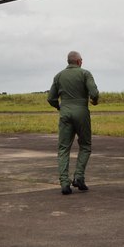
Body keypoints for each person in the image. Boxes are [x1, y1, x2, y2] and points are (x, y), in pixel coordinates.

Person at [47, 51, 99, 195]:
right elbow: (94, 93)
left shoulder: (58, 76)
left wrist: (60, 107)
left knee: (63, 148)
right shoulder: (85, 74)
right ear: (78, 61)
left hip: (65, 112)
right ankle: (79, 177)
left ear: (69, 61)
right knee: (85, 145)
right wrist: (94, 101)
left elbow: (51, 98)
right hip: (82, 111)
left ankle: (64, 182)